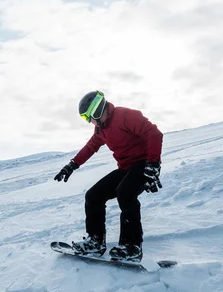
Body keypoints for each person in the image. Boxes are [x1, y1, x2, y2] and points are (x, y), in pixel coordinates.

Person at [54, 90, 163, 261]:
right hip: (126, 168)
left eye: (89, 117)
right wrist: (72, 165)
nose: (90, 122)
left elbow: (154, 134)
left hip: (144, 163)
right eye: (86, 119)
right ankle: (95, 242)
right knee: (93, 196)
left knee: (125, 193)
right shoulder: (101, 130)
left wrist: (153, 165)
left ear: (97, 110)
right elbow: (90, 148)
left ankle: (131, 246)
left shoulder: (125, 116)